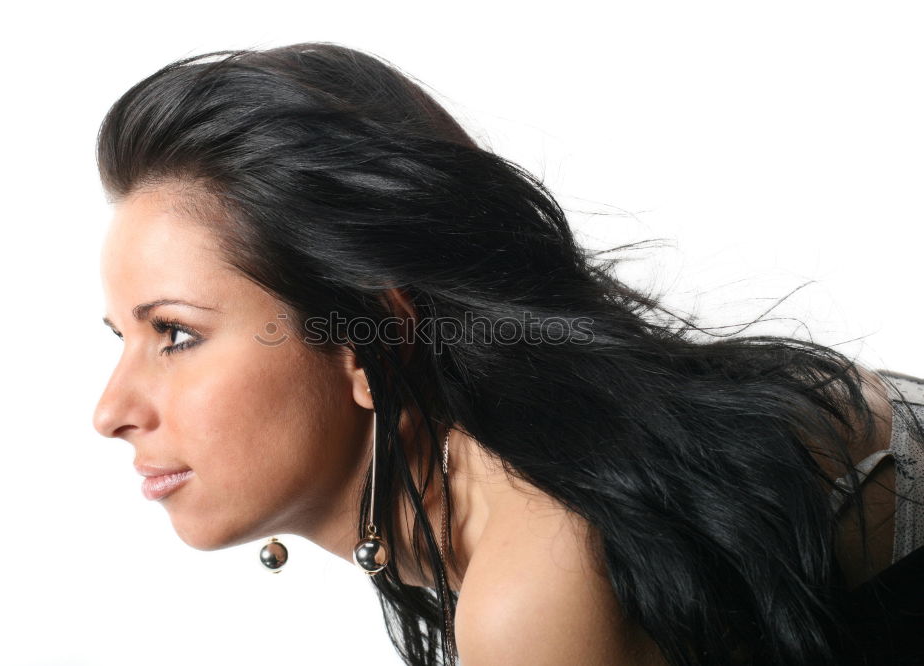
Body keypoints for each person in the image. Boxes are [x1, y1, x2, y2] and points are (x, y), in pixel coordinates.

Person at [91, 42, 924, 665]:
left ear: (368, 337)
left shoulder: (540, 587)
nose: (111, 411)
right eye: (121, 338)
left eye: (176, 335)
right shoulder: (500, 503)